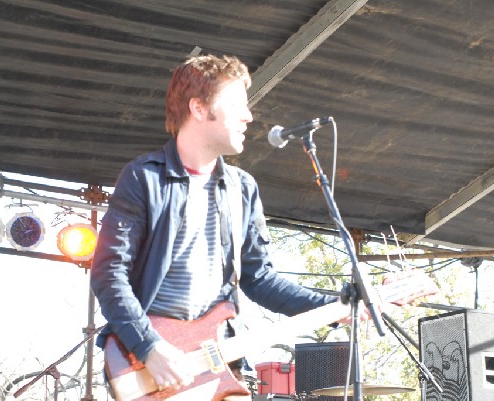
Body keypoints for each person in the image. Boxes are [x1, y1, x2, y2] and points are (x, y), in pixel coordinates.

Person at [90, 54, 356, 400]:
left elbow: (260, 280)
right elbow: (108, 273)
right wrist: (149, 347)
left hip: (219, 360)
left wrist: (338, 307)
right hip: (151, 363)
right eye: (236, 104)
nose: (249, 116)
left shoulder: (242, 188)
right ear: (199, 109)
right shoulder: (144, 178)